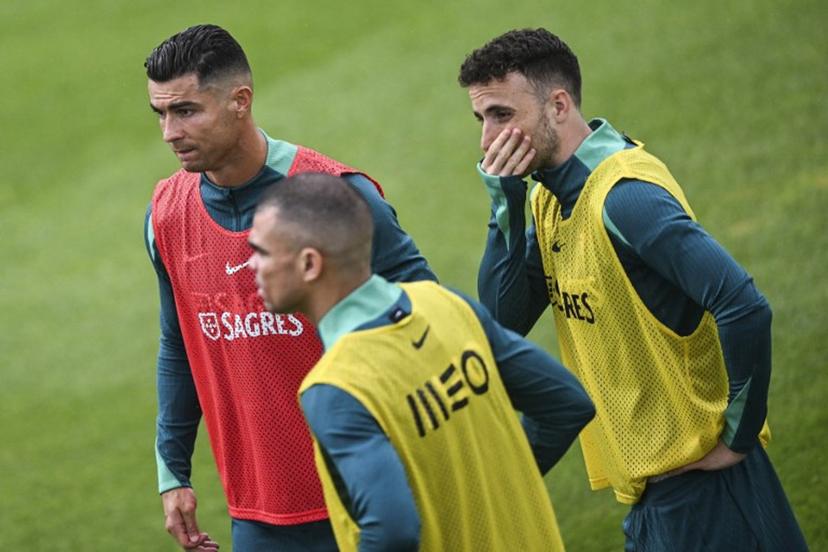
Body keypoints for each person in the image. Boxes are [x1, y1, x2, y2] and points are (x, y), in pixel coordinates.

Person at [457, 28, 808, 550]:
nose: (488, 141)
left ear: (558, 106)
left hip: (709, 495)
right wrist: (504, 207)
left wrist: (738, 436)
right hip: (652, 499)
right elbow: (503, 319)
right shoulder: (547, 199)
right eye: (481, 119)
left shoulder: (624, 198)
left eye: (501, 114)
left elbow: (743, 304)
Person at [143, 24, 436, 551]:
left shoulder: (339, 197)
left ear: (240, 101)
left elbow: (429, 316)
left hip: (369, 494)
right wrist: (174, 472)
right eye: (160, 113)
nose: (169, 132)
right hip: (257, 514)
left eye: (185, 111)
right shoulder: (165, 215)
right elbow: (178, 344)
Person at [246, 172, 595, 551]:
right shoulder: (445, 304)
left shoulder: (335, 388)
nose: (251, 265)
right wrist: (496, 490)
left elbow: (392, 532)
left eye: (262, 252)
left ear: (310, 265)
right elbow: (566, 402)